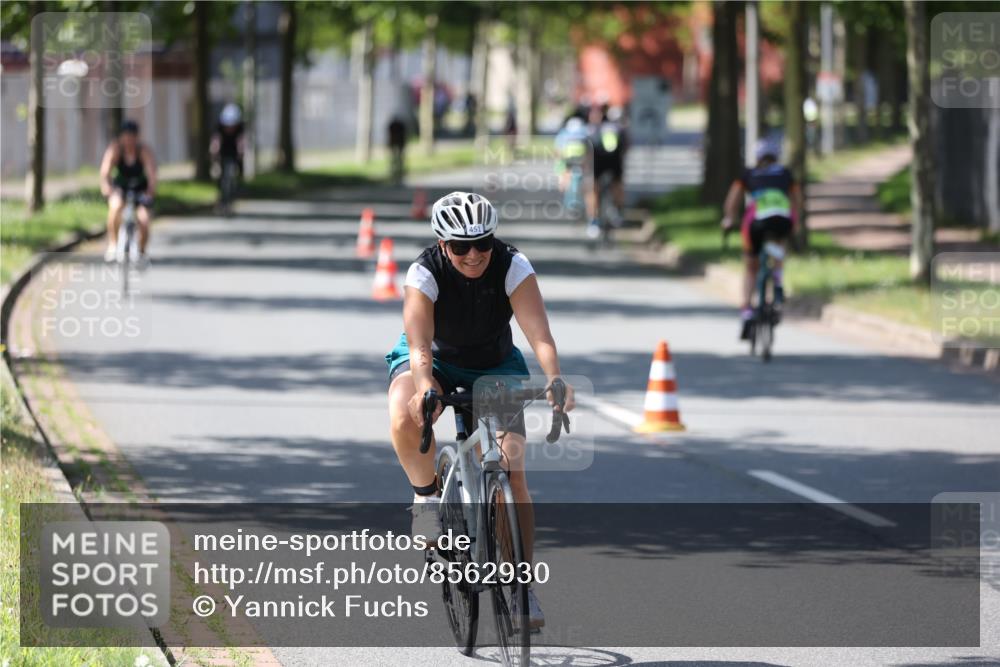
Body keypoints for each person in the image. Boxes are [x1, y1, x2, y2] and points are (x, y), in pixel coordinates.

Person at [385, 191, 576, 629]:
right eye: (460, 246)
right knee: (403, 409)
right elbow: (417, 345)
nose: (473, 255)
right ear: (441, 244)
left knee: (511, 466)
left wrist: (554, 377)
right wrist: (425, 384)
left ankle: (522, 584)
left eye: (483, 243)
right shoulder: (424, 272)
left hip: (493, 365)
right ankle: (426, 498)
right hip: (434, 357)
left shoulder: (513, 266)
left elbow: (540, 336)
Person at [721, 138, 802, 340]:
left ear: (757, 157)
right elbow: (797, 200)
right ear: (777, 156)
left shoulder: (748, 174)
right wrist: (797, 221)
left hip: (756, 223)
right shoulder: (785, 174)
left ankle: (747, 310)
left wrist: (729, 219)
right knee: (778, 248)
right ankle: (777, 281)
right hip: (781, 221)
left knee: (750, 266)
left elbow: (732, 201)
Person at [99, 120, 157, 264]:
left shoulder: (143, 151)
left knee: (144, 220)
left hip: (140, 190)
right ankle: (113, 243)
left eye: (132, 136)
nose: (128, 140)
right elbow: (105, 172)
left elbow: (152, 175)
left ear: (137, 137)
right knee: (115, 208)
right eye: (126, 136)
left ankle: (142, 251)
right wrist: (107, 188)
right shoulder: (115, 150)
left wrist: (150, 192)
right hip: (120, 189)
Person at [585, 104, 626, 238]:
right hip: (611, 161)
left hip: (602, 161)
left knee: (593, 190)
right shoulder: (615, 127)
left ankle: (594, 221)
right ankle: (616, 213)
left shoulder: (589, 129)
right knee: (613, 185)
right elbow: (625, 144)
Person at [553, 111, 591, 212]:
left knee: (565, 179)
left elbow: (558, 151)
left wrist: (559, 164)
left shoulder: (563, 134)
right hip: (580, 161)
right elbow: (589, 150)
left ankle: (567, 193)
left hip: (568, 161)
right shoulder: (585, 133)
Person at [209, 103, 245, 206]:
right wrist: (214, 150)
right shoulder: (219, 126)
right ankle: (220, 194)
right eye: (227, 126)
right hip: (223, 150)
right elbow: (215, 140)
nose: (230, 128)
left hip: (233, 150)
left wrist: (241, 152)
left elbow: (241, 141)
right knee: (220, 172)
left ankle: (238, 184)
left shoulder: (240, 127)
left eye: (232, 125)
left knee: (238, 166)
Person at [387, 115, 408, 185]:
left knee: (396, 159)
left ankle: (397, 171)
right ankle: (397, 171)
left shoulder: (392, 125)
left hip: (396, 142)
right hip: (398, 143)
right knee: (397, 159)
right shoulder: (399, 125)